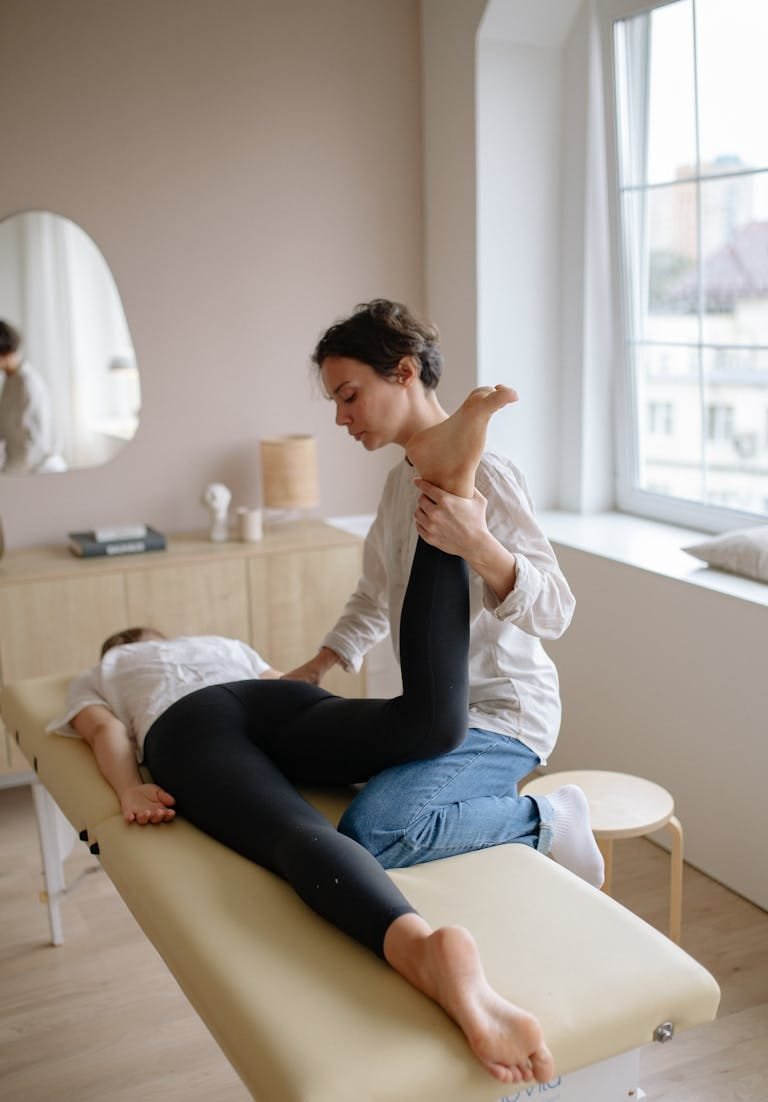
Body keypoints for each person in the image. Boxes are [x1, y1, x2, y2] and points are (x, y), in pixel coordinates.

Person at [51, 388, 555, 1088]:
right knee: (421, 721)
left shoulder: (108, 669)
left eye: (349, 395)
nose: (343, 414)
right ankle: (449, 480)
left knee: (294, 836)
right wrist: (327, 710)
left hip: (191, 727)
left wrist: (130, 784)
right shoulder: (213, 646)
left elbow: (104, 730)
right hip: (268, 700)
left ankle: (424, 953)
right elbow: (289, 692)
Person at [287, 299, 604, 889]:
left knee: (374, 832)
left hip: (503, 716)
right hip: (429, 716)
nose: (340, 419)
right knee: (294, 763)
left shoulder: (488, 475)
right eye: (335, 402)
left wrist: (480, 545)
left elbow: (556, 610)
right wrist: (319, 665)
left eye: (348, 395)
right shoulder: (394, 488)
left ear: (404, 373)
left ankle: (551, 819)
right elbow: (372, 594)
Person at [0, 319, 65, 474]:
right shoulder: (10, 381)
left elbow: (34, 444)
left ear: (6, 352)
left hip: (36, 471)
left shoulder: (27, 383)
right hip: (18, 466)